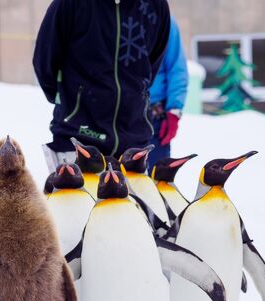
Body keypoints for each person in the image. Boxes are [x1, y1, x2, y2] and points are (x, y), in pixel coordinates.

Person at [33, 0, 170, 168]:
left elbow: (151, 66)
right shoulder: (69, 4)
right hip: (77, 139)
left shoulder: (156, 5)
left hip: (133, 141)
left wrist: (135, 97)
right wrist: (72, 103)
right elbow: (45, 61)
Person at [147, 16, 188, 172]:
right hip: (115, 119)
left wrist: (174, 110)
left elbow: (177, 69)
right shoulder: (108, 15)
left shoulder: (163, 21)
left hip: (154, 117)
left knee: (158, 179)